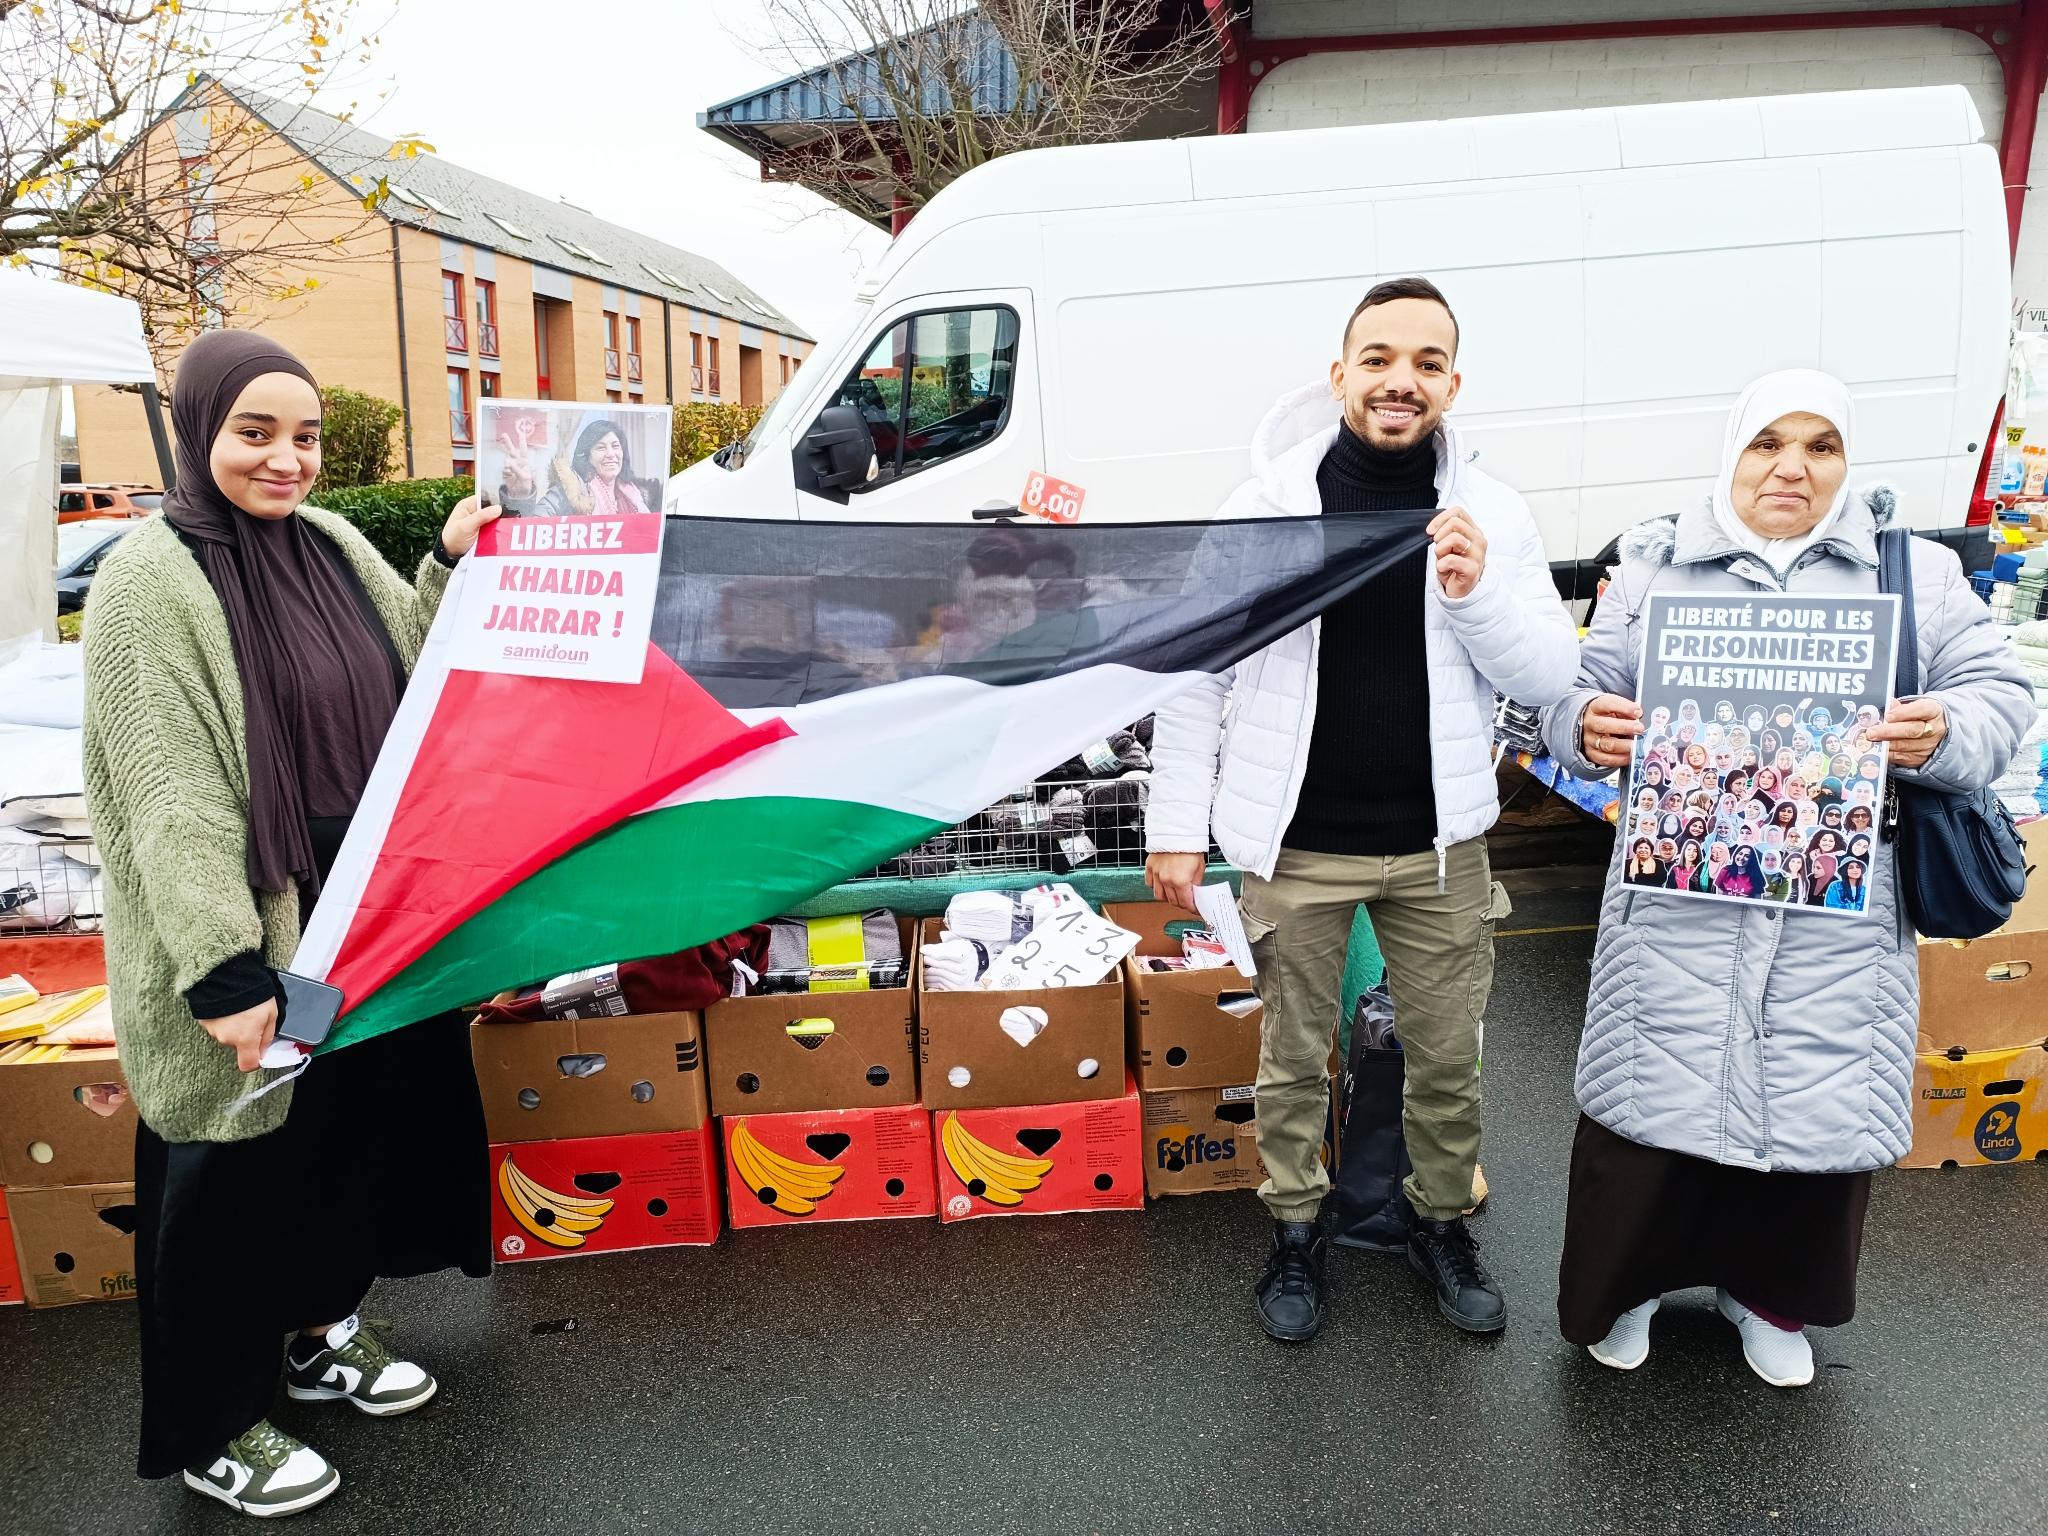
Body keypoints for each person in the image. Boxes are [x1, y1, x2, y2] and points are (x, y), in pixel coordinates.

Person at [1543, 368, 2030, 1388]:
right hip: (1676, 911)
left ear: (1844, 462)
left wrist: (1940, 730)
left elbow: (1996, 693)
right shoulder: (1649, 574)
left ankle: (1766, 1300)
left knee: (1809, 1116)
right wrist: (1581, 730)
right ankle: (1625, 1287)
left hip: (1836, 922)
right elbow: (1572, 703)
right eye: (1767, 442)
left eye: (1819, 446)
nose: (1790, 468)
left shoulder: (1912, 576)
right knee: (1649, 1118)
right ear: (1731, 451)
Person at [82, 332, 502, 1515]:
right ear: (198, 431)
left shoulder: (325, 544)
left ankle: (321, 1335)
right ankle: (215, 1423)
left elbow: (414, 671)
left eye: (305, 436)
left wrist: (445, 559)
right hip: (250, 935)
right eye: (254, 433)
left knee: (334, 1153)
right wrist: (222, 971)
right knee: (225, 1181)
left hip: (353, 929)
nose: (286, 460)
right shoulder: (147, 579)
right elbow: (170, 794)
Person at [1144, 277, 1577, 1343]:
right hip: (1296, 844)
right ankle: (1293, 1231)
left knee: (1444, 1057)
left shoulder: (1491, 513)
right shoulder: (1265, 508)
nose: (1400, 380)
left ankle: (1438, 1221)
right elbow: (1196, 671)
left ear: (1450, 384)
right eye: (1378, 357)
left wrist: (1475, 591)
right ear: (1338, 373)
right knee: (1292, 1058)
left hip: (1438, 848)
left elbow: (1548, 673)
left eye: (1425, 363)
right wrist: (1172, 825)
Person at [500, 415, 658, 516]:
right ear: (587, 456)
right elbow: (529, 530)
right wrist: (520, 496)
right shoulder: (567, 492)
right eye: (601, 447)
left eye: (616, 446)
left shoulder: (637, 495)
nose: (611, 454)